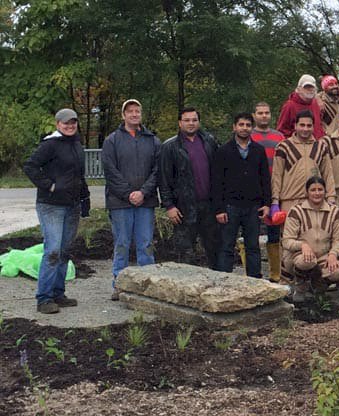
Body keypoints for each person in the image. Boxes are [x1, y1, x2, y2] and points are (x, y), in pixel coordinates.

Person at [23, 108, 90, 314]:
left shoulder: (76, 144)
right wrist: (50, 186)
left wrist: (85, 196)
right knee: (52, 250)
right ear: (57, 124)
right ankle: (44, 298)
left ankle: (58, 294)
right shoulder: (50, 144)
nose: (70, 126)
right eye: (65, 123)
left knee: (64, 251)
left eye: (73, 122)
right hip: (51, 205)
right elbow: (30, 166)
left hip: (72, 205)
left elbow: (78, 174)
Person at [102, 99, 160, 301]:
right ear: (123, 115)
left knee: (145, 244)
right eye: (130, 111)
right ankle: (119, 285)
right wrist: (128, 193)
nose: (134, 114)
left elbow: (157, 170)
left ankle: (149, 285)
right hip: (120, 202)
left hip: (146, 201)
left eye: (137, 111)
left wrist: (143, 192)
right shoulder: (112, 140)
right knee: (122, 243)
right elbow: (110, 170)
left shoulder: (152, 140)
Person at [158, 107, 219, 268]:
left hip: (209, 206)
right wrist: (169, 206)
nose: (191, 123)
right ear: (180, 123)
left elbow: (219, 174)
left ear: (199, 122)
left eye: (194, 120)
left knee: (214, 250)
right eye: (187, 120)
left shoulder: (210, 141)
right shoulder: (169, 147)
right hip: (183, 207)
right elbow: (164, 179)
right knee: (186, 253)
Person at [211, 113, 271, 277]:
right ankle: (224, 280)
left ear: (252, 128)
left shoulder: (258, 151)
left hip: (253, 206)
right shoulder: (223, 151)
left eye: (247, 125)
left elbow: (265, 178)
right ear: (234, 127)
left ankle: (255, 281)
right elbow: (216, 182)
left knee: (253, 246)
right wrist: (219, 209)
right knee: (226, 246)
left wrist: (266, 203)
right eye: (241, 124)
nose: (244, 128)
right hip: (230, 206)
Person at [282, 177, 339, 301]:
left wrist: (333, 254)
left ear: (325, 191)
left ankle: (319, 285)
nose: (317, 193)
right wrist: (303, 245)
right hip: (299, 256)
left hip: (324, 255)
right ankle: (301, 286)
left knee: (338, 272)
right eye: (313, 190)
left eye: (320, 190)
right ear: (307, 192)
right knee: (307, 261)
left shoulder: (334, 212)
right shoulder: (296, 211)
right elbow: (286, 240)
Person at [271, 110, 336, 216]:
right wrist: (275, 201)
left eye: (309, 125)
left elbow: (328, 174)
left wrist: (331, 197)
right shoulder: (284, 147)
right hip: (289, 201)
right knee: (289, 233)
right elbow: (276, 176)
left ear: (313, 127)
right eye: (302, 125)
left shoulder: (320, 146)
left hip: (315, 201)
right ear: (295, 125)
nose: (305, 129)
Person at [251, 102, 285, 282]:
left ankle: (275, 273)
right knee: (251, 232)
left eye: (267, 113)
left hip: (274, 189)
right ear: (254, 115)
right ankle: (252, 273)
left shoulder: (279, 137)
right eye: (260, 113)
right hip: (252, 190)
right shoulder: (248, 135)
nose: (264, 116)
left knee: (273, 230)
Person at [276, 74, 325, 139]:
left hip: (317, 145)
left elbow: (319, 125)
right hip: (297, 146)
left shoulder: (316, 103)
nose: (309, 90)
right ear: (299, 89)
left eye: (312, 87)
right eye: (306, 87)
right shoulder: (289, 105)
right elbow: (281, 131)